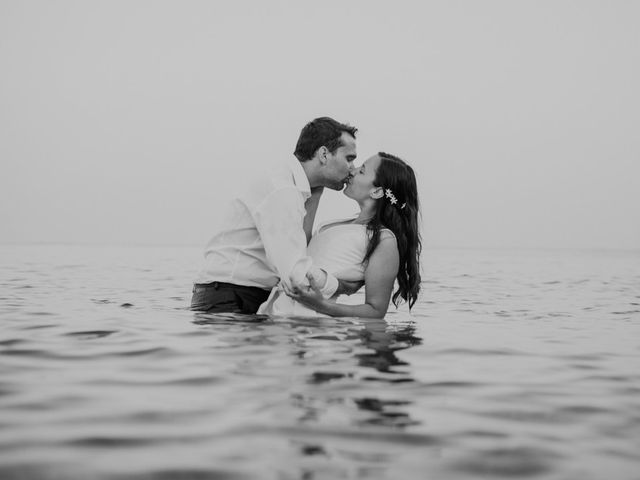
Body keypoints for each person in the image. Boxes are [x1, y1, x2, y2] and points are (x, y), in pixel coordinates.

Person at [191, 117, 359, 314]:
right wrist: (343, 286)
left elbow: (299, 249)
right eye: (349, 158)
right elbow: (296, 275)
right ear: (324, 154)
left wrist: (316, 193)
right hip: (229, 299)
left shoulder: (294, 186)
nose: (353, 169)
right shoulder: (283, 190)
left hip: (239, 296)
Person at [258, 152, 421, 318]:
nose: (352, 171)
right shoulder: (342, 223)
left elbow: (376, 311)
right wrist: (317, 190)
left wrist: (321, 305)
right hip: (280, 313)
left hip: (310, 326)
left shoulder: (384, 240)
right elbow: (301, 248)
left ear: (377, 192)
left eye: (362, 171)